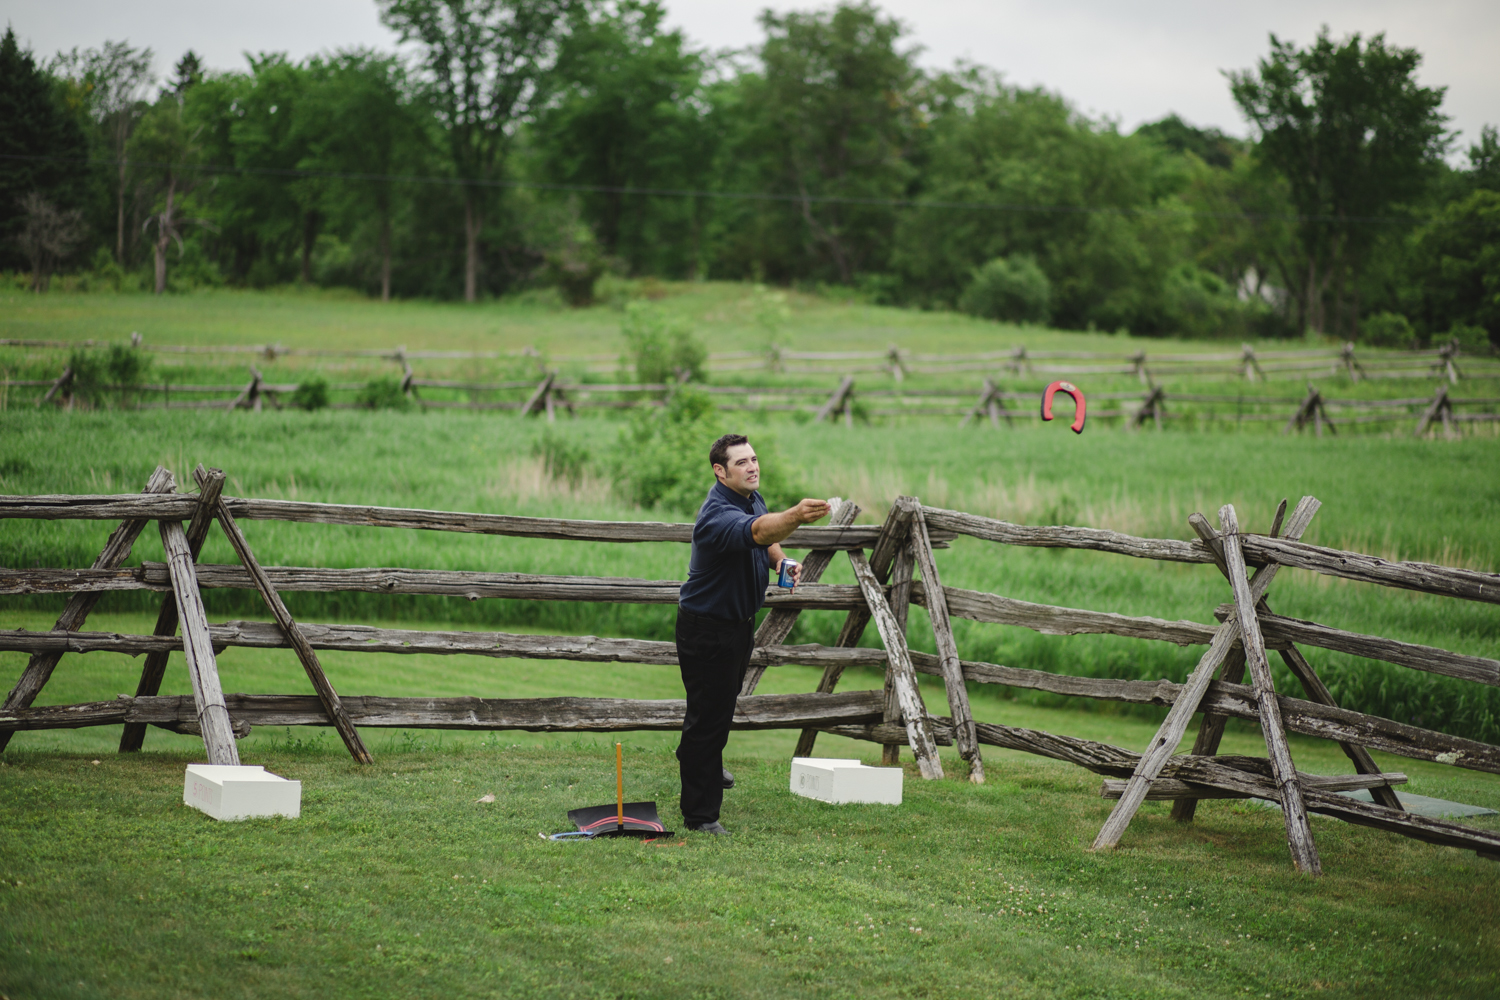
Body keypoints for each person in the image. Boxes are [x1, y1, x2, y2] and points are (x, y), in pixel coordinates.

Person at [675, 433, 830, 835]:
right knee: (706, 719)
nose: (752, 467)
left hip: (737, 626)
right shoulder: (716, 514)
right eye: (742, 462)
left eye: (754, 459)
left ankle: (703, 764)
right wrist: (795, 514)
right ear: (720, 471)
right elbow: (759, 532)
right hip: (707, 629)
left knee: (719, 709)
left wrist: (781, 562)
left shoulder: (748, 498)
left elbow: (766, 542)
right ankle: (701, 815)